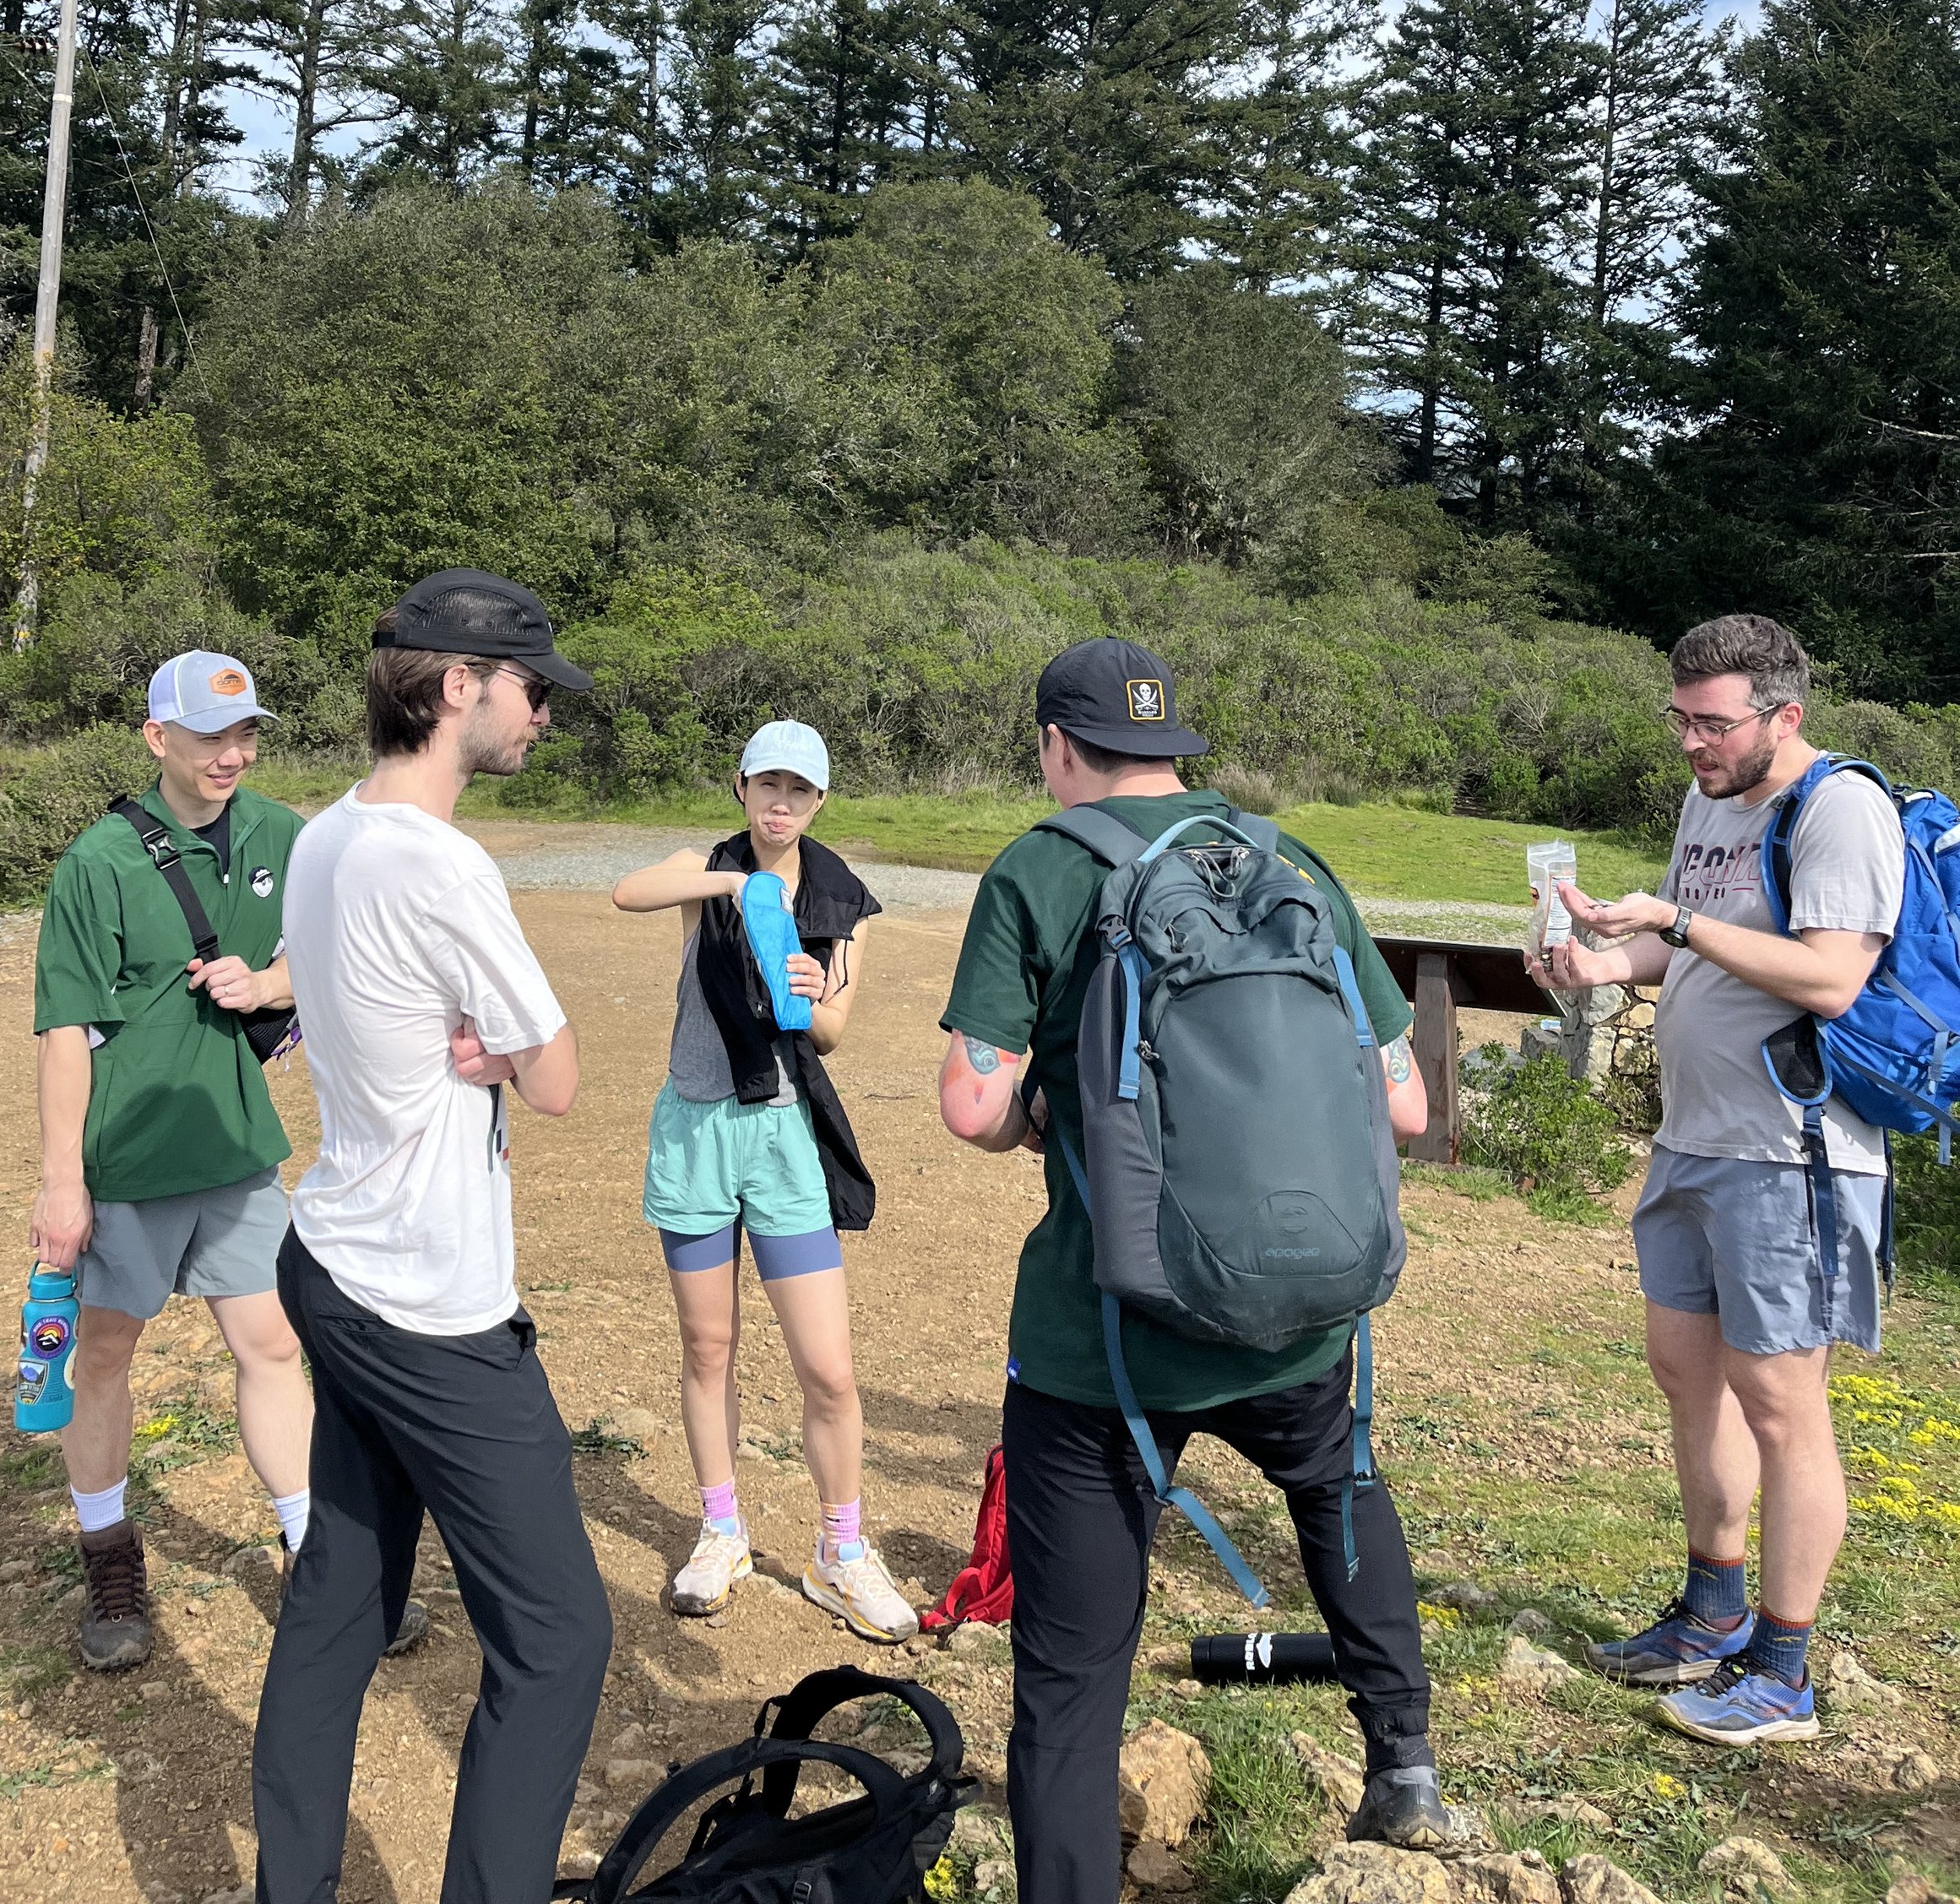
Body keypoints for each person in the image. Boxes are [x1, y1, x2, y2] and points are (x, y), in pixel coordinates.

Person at [937, 638, 1469, 1904]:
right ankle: (1403, 1763)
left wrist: (1040, 1112)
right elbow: (1406, 1107)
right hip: (1297, 1313)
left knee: (1071, 1672)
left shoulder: (1037, 869)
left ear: (1058, 747)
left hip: (1107, 1341)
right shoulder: (1291, 861)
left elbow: (972, 1105)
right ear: (1174, 745)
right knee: (1337, 1490)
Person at [250, 571, 611, 1904]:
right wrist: (507, 1052)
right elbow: (558, 1074)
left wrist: (485, 1046)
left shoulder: (327, 832)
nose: (542, 715)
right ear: (458, 686)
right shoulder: (444, 863)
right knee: (561, 1636)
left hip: (331, 1254)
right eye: (530, 689)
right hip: (428, 1300)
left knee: (340, 1597)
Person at [1541, 612, 1903, 1744]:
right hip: (1693, 1136)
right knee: (1687, 1373)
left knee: (1783, 1405)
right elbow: (1683, 941)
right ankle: (1709, 1615)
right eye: (1680, 719)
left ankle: (1783, 1673)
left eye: (1713, 723)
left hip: (1791, 1150)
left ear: (1782, 716)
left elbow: (1832, 977)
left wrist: (1678, 920)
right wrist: (1606, 958)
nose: (1692, 743)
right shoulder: (1709, 799)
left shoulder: (1840, 809)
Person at [29, 651, 315, 1673]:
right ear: (158, 738)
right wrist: (63, 1182)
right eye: (209, 736)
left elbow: (329, 956)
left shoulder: (285, 835)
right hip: (129, 1157)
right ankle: (109, 1556)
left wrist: (270, 983)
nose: (232, 754)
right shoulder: (98, 862)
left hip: (237, 1146)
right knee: (104, 1354)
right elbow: (65, 1030)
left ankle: (310, 1550)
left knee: (272, 1345)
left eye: (245, 734)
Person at [611, 719, 916, 1640]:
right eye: (768, 785)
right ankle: (721, 1532)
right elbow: (628, 891)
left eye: (800, 790)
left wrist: (813, 994)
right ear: (742, 786)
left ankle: (841, 1551)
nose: (782, 805)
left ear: (820, 800)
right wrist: (734, 886)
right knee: (708, 1346)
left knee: (828, 1366)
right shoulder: (703, 868)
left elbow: (832, 1034)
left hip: (782, 1138)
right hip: (695, 1132)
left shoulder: (843, 901)